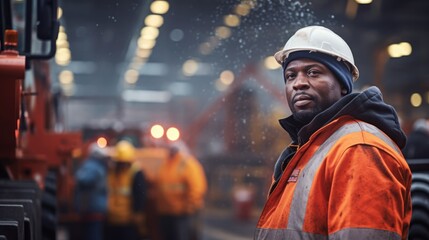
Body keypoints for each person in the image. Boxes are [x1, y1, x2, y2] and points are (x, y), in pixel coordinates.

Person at [254, 25, 412, 240]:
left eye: (313, 72)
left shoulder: (359, 149)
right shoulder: (308, 148)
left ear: (343, 85)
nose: (299, 83)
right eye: (290, 76)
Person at [154, 140, 207, 240]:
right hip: (166, 212)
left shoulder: (188, 164)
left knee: (181, 236)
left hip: (182, 214)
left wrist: (190, 207)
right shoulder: (166, 164)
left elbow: (197, 188)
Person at [106, 140, 148, 240]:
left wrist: (137, 213)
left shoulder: (136, 173)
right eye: (120, 162)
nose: (122, 165)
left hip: (129, 220)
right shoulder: (111, 172)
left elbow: (140, 195)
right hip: (112, 219)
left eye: (124, 162)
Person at [74, 142, 109, 240]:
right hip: (94, 209)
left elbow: (81, 179)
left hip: (91, 208)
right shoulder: (96, 167)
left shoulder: (91, 166)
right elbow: (84, 180)